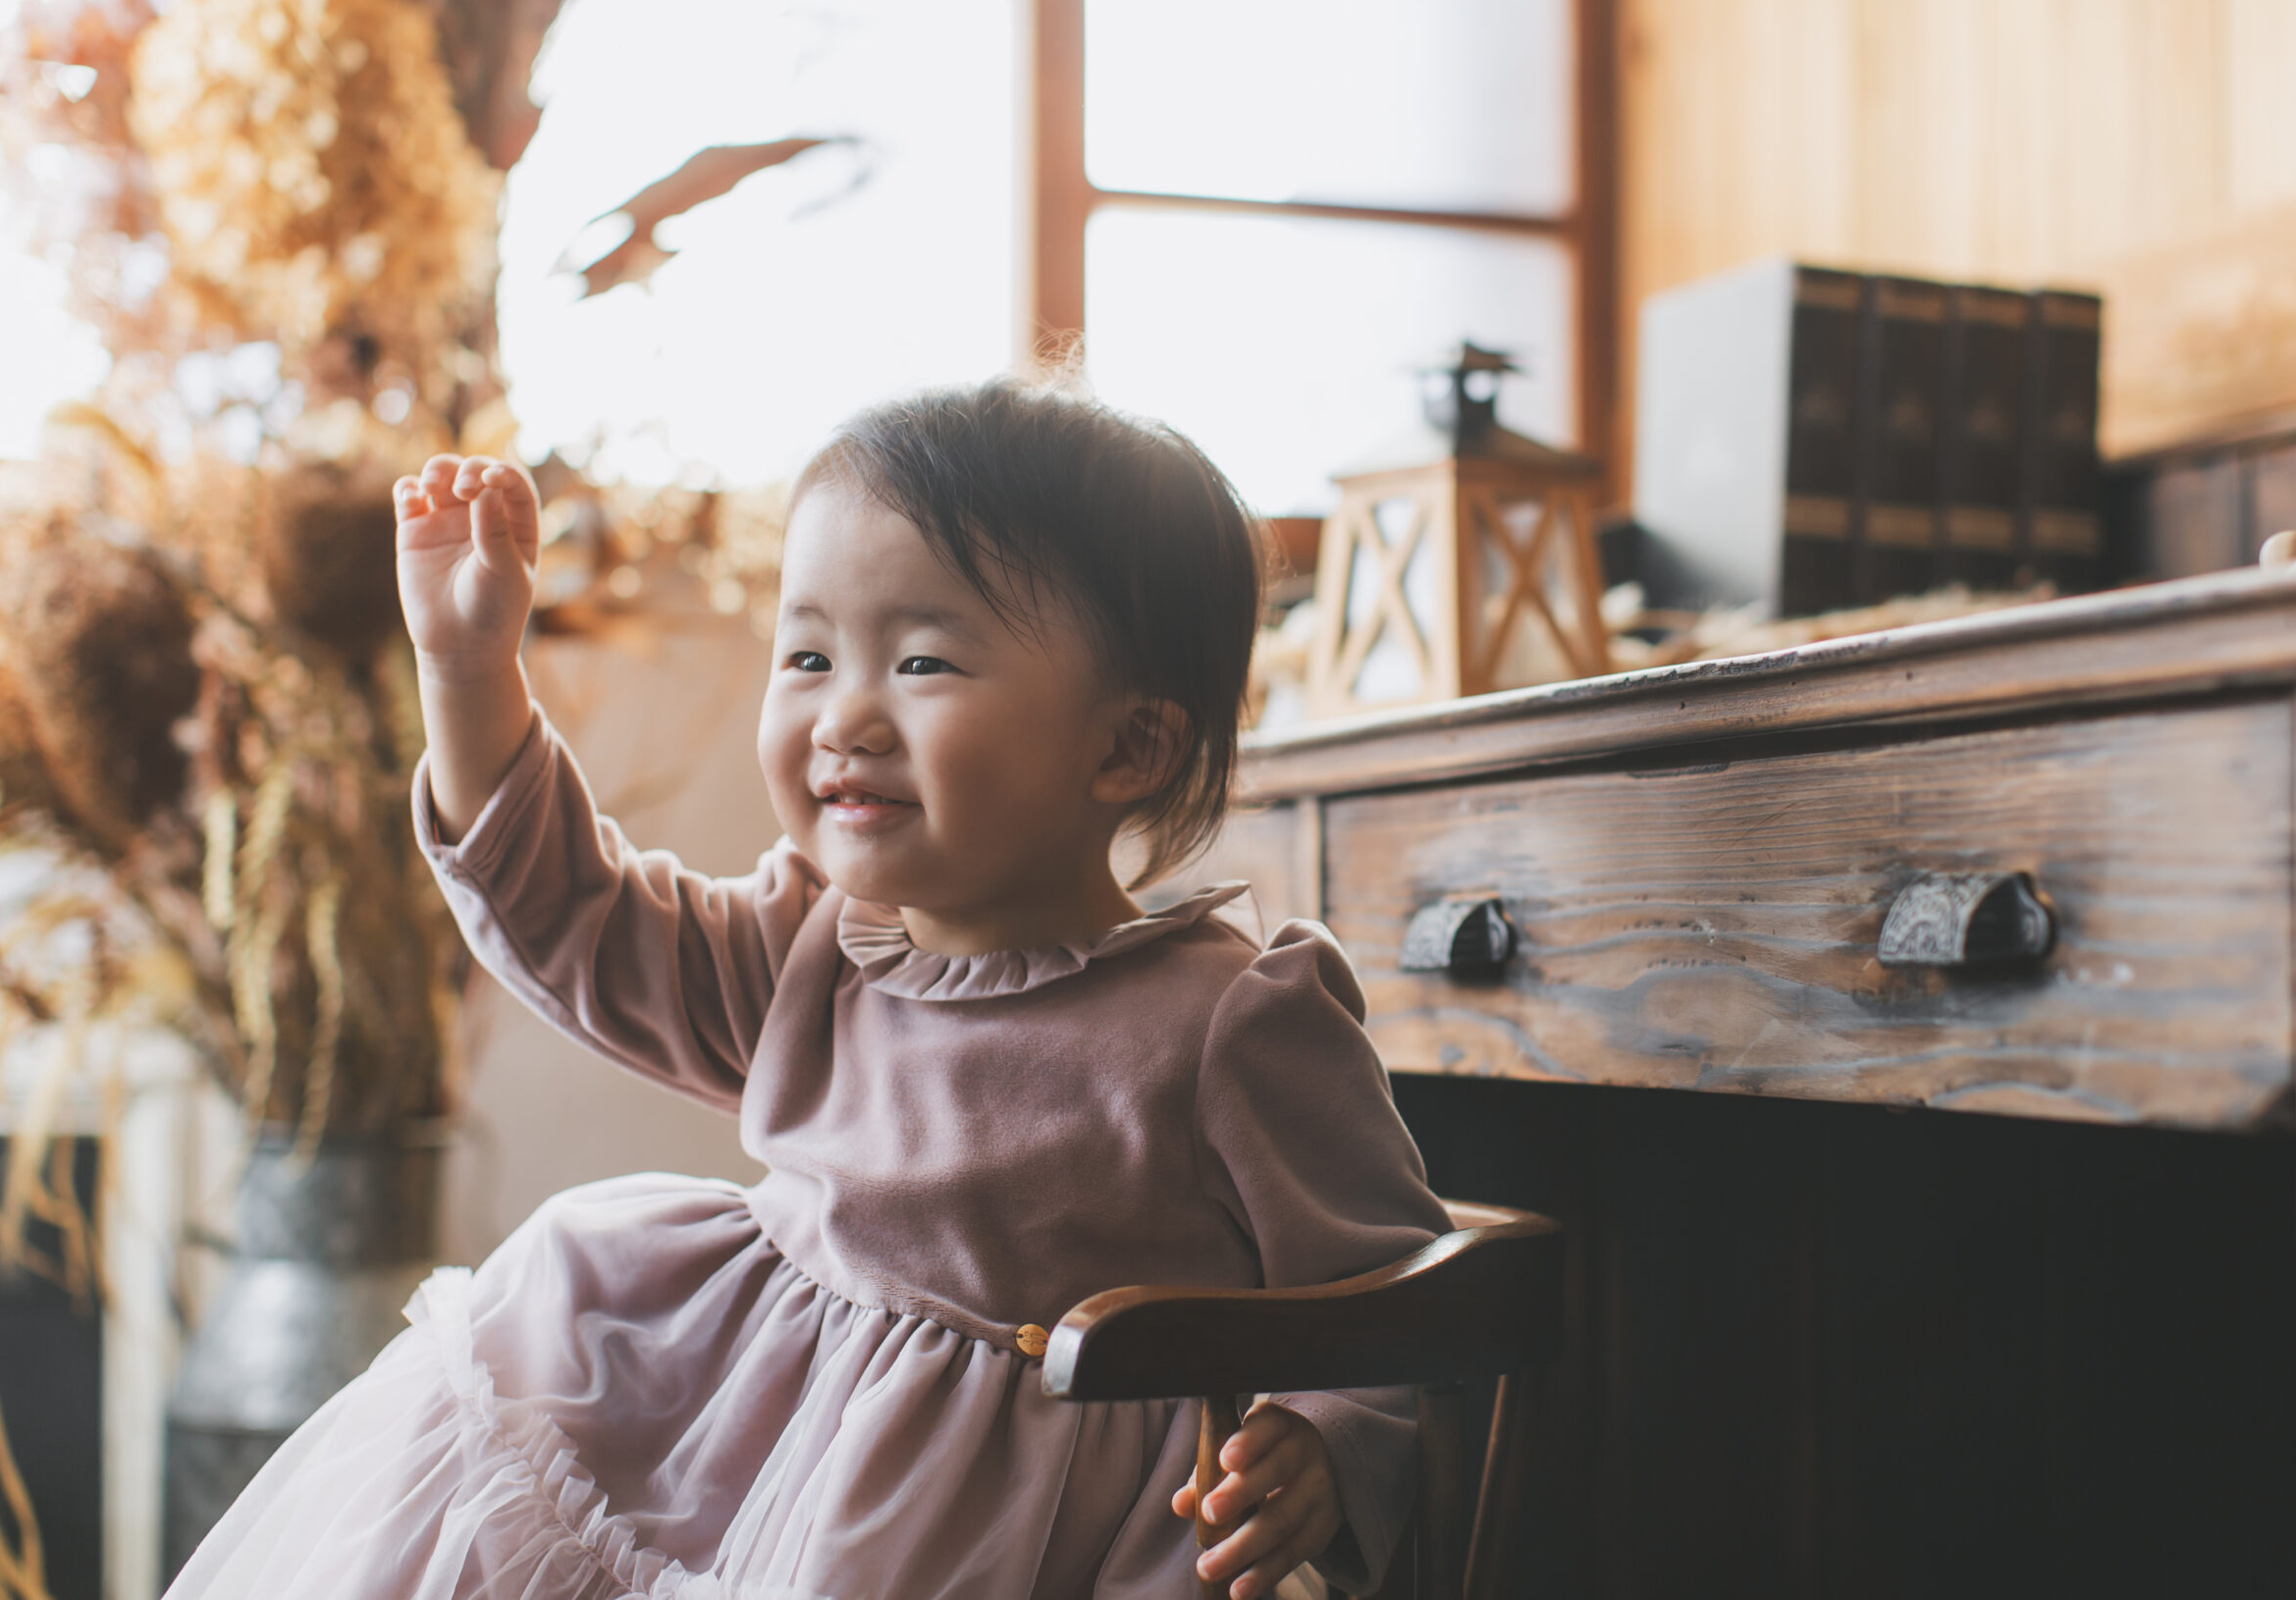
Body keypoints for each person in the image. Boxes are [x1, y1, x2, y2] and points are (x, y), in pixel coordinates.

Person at [163, 379, 1452, 1600]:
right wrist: (467, 672)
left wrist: (1326, 1441)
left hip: (1013, 1536)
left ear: (1127, 745)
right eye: (811, 657)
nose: (845, 717)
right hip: (743, 1451)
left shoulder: (1230, 1018)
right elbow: (580, 920)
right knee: (555, 1294)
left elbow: (1401, 1294)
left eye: (926, 664)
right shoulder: (819, 948)